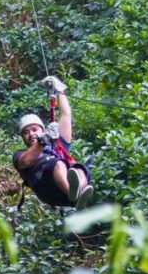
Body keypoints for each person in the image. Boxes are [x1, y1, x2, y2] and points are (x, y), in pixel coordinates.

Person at [13, 76, 93, 210]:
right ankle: (72, 193)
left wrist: (59, 90)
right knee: (58, 163)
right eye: (26, 132)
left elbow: (66, 115)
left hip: (62, 192)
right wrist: (43, 140)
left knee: (79, 168)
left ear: (42, 129)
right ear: (23, 138)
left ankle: (78, 195)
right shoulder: (19, 154)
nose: (31, 134)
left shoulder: (57, 144)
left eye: (34, 129)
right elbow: (24, 162)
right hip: (46, 189)